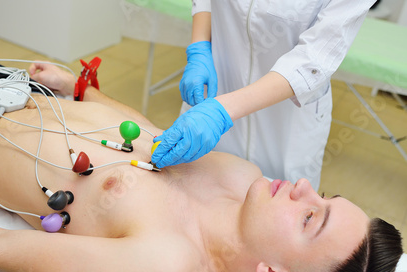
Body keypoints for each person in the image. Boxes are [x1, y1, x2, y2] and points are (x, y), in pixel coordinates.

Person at [0, 36, 403, 272]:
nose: (302, 187)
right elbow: (142, 134)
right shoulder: (241, 177)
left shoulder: (161, 271)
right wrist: (80, 90)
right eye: (324, 194)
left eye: (311, 216)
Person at [151, 0, 377, 191]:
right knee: (196, 193)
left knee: (278, 218)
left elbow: (316, 56)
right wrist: (199, 46)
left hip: (287, 119)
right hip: (218, 88)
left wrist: (222, 111)